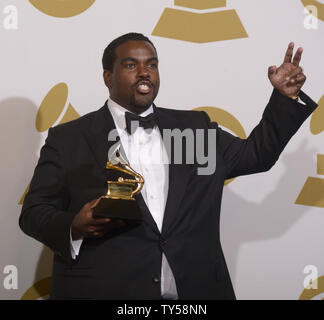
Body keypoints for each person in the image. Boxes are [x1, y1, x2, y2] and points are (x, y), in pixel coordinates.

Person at [19, 33, 317, 300]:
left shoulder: (194, 129)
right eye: (130, 65)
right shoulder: (70, 138)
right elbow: (34, 213)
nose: (144, 72)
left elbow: (257, 154)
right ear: (108, 77)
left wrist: (284, 97)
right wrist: (74, 226)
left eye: (152, 64)